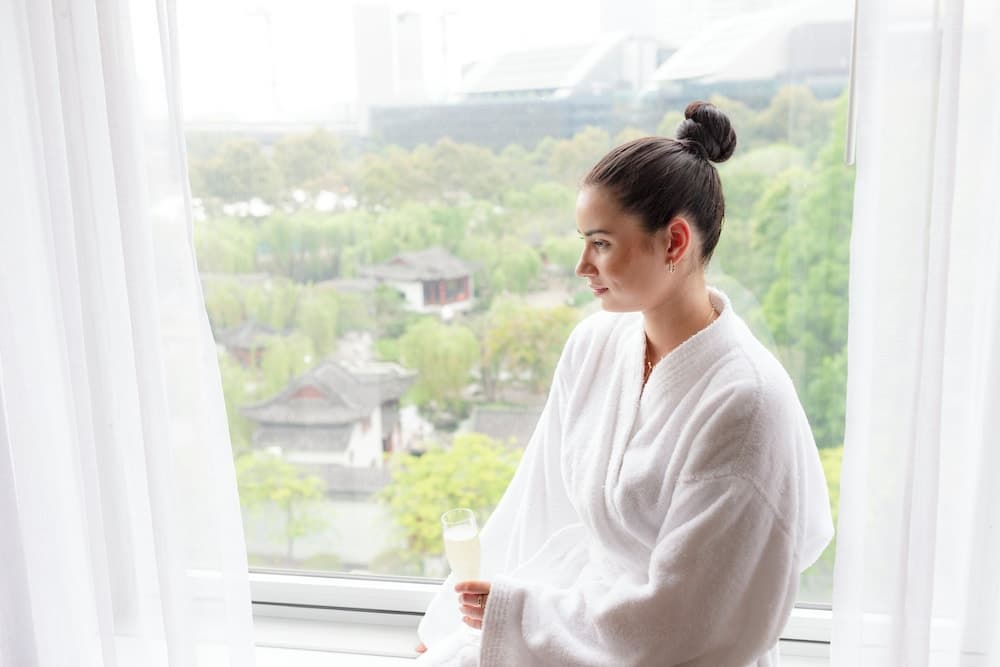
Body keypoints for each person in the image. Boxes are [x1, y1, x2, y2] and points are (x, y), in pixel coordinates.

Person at [414, 101, 834, 666]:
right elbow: (537, 502)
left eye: (602, 243)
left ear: (675, 242)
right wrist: (455, 624)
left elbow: (691, 623)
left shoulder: (746, 404)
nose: (582, 266)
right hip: (579, 622)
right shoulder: (594, 345)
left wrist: (516, 617)